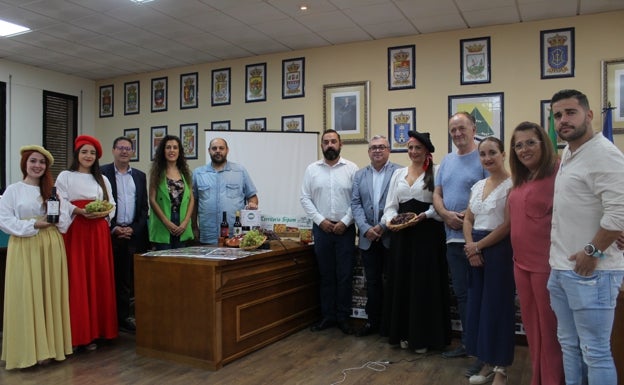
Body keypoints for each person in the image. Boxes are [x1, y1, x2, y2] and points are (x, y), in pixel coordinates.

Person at [547, 89, 624, 385]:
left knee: (596, 352)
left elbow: (619, 214)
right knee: (570, 346)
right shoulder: (570, 152)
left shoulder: (605, 155)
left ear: (589, 115)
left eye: (570, 113)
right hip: (563, 269)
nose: (563, 120)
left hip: (592, 272)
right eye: (557, 115)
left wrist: (592, 252)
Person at [0, 145, 72, 369]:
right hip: (24, 245)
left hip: (50, 245)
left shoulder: (53, 191)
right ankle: (27, 351)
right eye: (33, 161)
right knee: (25, 295)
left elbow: (65, 218)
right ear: (25, 163)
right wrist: (34, 224)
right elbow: (4, 220)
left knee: (48, 293)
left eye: (41, 162)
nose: (37, 166)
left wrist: (57, 217)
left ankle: (48, 350)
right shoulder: (13, 190)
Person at [381, 131, 451, 353]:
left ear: (426, 151)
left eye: (417, 148)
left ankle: (423, 337)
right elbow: (390, 205)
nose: (413, 152)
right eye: (410, 148)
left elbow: (441, 204)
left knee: (424, 284)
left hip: (427, 236)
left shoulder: (437, 171)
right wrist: (391, 221)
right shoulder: (398, 174)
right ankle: (403, 332)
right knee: (403, 282)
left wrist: (425, 216)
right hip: (402, 237)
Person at [507, 122, 564, 385]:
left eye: (530, 142)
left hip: (546, 266)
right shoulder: (520, 178)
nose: (524, 149)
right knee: (532, 329)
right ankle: (537, 379)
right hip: (521, 265)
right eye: (518, 145)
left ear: (544, 143)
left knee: (550, 332)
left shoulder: (558, 171)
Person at [433, 112, 487, 373]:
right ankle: (467, 343)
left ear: (473, 128)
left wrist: (467, 218)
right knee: (463, 296)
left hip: (478, 240)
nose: (457, 134)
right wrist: (444, 214)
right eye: (453, 129)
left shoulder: (484, 156)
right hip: (451, 241)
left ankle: (482, 350)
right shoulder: (447, 160)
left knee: (481, 295)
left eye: (462, 128)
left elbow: (494, 191)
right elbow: (437, 193)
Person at [55, 135, 118, 350]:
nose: (88, 156)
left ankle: (99, 331)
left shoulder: (102, 179)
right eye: (84, 152)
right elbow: (59, 199)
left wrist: (104, 212)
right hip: (77, 230)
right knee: (78, 278)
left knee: (98, 276)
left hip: (98, 231)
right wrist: (78, 210)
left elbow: (112, 203)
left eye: (92, 153)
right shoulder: (65, 176)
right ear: (77, 154)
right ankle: (78, 334)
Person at [462, 137, 514, 385]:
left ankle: (501, 367)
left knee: (497, 308)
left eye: (492, 152)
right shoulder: (478, 185)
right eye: (483, 154)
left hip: (498, 250)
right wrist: (471, 247)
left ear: (503, 154)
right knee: (479, 308)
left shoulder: (513, 185)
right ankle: (486, 361)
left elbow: (507, 226)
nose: (487, 158)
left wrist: (478, 247)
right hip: (474, 250)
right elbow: (468, 219)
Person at [300, 129, 358, 335]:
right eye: (326, 142)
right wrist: (320, 220)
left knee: (344, 276)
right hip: (322, 229)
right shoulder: (312, 169)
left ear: (340, 145)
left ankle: (343, 318)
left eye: (334, 141)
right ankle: (328, 317)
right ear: (321, 146)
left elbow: (356, 200)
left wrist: (345, 221)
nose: (330, 145)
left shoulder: (352, 169)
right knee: (326, 275)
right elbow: (305, 198)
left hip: (346, 229)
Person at [350, 135, 401, 337]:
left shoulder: (399, 172)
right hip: (367, 238)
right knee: (372, 282)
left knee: (391, 281)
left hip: (389, 236)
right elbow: (355, 204)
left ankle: (390, 324)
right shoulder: (360, 175)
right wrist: (365, 228)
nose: (377, 150)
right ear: (368, 152)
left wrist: (381, 227)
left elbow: (399, 203)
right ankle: (373, 322)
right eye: (373, 148)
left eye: (381, 147)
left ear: (389, 150)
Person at [101, 136, 149, 334]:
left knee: (127, 280)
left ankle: (124, 318)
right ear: (113, 150)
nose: (124, 151)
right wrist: (114, 227)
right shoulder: (102, 173)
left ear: (132, 152)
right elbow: (100, 202)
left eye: (128, 148)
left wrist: (133, 229)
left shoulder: (139, 175)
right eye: (120, 148)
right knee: (108, 277)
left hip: (132, 234)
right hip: (109, 233)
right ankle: (108, 318)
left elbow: (143, 208)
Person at [192, 138, 258, 244]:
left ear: (227, 150)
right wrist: (194, 227)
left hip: (235, 236)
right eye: (214, 148)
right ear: (209, 150)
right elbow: (193, 203)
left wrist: (252, 204)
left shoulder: (240, 171)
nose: (218, 150)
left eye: (221, 148)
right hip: (207, 236)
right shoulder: (198, 173)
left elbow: (252, 197)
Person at [148, 135, 194, 250]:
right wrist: (166, 222)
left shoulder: (185, 173)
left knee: (181, 261)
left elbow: (191, 199)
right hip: (163, 222)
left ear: (179, 151)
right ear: (163, 151)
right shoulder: (157, 172)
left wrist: (185, 222)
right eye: (168, 147)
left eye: (175, 147)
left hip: (182, 222)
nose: (171, 150)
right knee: (164, 262)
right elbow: (152, 200)